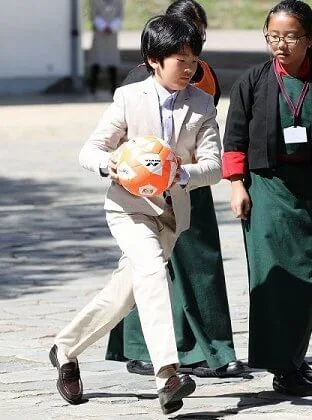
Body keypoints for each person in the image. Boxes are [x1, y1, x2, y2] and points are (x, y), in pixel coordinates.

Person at [50, 15, 222, 414]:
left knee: (124, 295)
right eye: (180, 59)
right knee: (152, 272)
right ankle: (168, 374)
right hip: (128, 209)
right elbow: (88, 151)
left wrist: (184, 173)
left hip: (171, 214)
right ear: (153, 60)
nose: (189, 67)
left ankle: (65, 348)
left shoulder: (203, 104)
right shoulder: (128, 98)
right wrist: (109, 164)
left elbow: (213, 165)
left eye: (193, 59)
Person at [105, 0, 245, 380]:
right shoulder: (138, 80)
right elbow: (115, 140)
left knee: (202, 267)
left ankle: (214, 350)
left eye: (198, 35)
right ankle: (138, 349)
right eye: (185, 33)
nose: (191, 47)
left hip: (189, 184)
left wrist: (189, 172)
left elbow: (208, 136)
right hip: (143, 193)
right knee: (145, 268)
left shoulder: (206, 77)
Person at [222, 0, 312, 397]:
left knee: (304, 279)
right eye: (273, 37)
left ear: (309, 39)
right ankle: (282, 365)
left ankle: (294, 358)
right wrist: (236, 184)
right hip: (266, 189)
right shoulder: (252, 81)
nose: (280, 45)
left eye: (290, 37)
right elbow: (235, 138)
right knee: (271, 279)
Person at [89, 0, 123, 94]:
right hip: (100, 34)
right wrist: (103, 26)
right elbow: (93, 15)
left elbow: (120, 16)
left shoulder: (118, 1)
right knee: (96, 60)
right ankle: (93, 87)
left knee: (112, 61)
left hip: (112, 35)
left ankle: (113, 87)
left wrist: (112, 27)